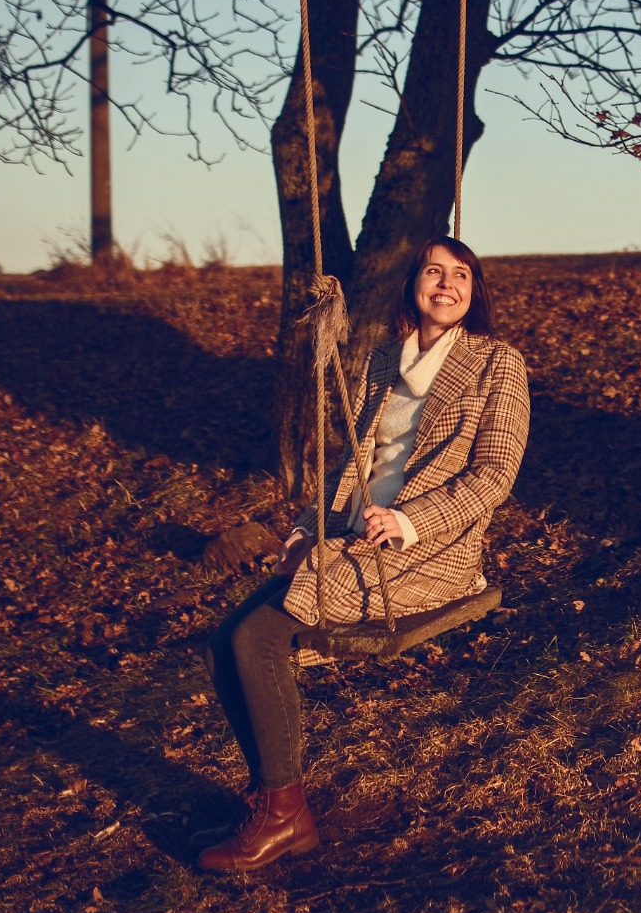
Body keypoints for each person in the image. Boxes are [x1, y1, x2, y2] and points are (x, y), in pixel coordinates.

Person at [194, 236, 530, 873]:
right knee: (223, 643)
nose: (447, 284)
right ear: (413, 284)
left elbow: (493, 475)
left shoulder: (496, 364)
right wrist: (306, 527)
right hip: (351, 537)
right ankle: (271, 796)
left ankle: (285, 814)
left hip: (427, 550)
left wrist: (409, 520)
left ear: (475, 291)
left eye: (461, 274)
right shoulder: (383, 360)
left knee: (256, 640)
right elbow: (353, 458)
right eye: (434, 271)